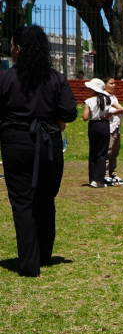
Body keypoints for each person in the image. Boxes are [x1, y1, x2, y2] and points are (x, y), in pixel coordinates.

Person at [0, 25, 78, 277]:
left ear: (19, 49)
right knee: (45, 199)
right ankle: (44, 255)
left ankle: (29, 264)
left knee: (22, 203)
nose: (11, 50)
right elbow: (70, 112)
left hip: (15, 142)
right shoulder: (56, 78)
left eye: (12, 45)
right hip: (49, 144)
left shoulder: (5, 78)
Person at [82, 78, 119, 188]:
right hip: (104, 125)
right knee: (102, 152)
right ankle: (99, 179)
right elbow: (121, 109)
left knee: (93, 152)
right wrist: (108, 115)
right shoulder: (107, 99)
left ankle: (92, 178)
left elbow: (85, 117)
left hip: (93, 126)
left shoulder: (89, 101)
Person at [102, 77, 123, 185]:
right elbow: (109, 111)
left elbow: (122, 110)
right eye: (111, 83)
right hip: (109, 127)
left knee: (115, 152)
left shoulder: (113, 97)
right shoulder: (103, 97)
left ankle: (112, 172)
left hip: (117, 127)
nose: (114, 85)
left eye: (114, 83)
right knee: (108, 150)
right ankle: (105, 173)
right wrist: (118, 110)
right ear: (104, 85)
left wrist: (118, 110)